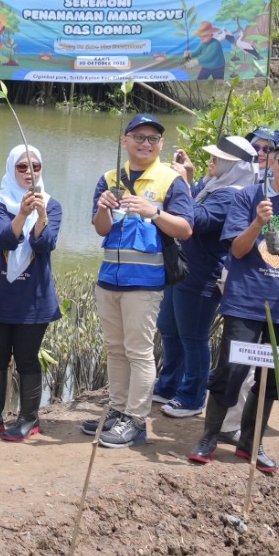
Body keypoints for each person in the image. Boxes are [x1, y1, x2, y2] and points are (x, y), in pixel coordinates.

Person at [189, 137, 279, 470]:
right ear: (271, 162)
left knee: (273, 378)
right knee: (230, 372)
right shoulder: (248, 197)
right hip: (245, 301)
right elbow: (236, 250)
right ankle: (209, 436)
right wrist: (258, 222)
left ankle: (252, 443)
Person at [86, 114, 194, 448]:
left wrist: (154, 211)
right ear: (125, 140)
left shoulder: (170, 180)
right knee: (116, 350)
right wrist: (104, 208)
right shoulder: (109, 177)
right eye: (139, 137)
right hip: (109, 279)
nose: (145, 143)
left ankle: (136, 419)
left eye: (153, 138)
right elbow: (101, 228)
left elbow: (186, 229)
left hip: (145, 282)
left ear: (161, 144)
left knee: (139, 351)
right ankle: (117, 411)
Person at [154, 135, 256, 420]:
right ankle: (169, 384)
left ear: (231, 165)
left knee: (193, 337)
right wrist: (188, 176)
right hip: (184, 269)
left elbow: (195, 222)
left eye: (216, 159)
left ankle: (192, 396)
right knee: (168, 327)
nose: (211, 162)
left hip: (203, 275)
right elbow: (193, 200)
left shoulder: (234, 194)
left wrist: (183, 185)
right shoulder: (215, 185)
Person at [0, 145, 60, 442]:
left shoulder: (52, 204)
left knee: (27, 358)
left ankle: (28, 418)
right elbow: (2, 240)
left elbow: (45, 245)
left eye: (35, 167)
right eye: (22, 167)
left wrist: (40, 214)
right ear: (12, 169)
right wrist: (22, 214)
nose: (29, 172)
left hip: (33, 298)